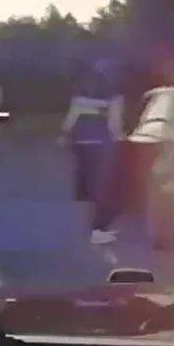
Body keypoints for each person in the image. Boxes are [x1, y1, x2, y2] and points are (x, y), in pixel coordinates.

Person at [58, 57, 126, 245]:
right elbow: (114, 124)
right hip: (102, 144)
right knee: (105, 188)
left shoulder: (81, 93)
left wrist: (64, 135)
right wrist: (120, 137)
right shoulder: (114, 94)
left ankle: (94, 227)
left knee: (88, 187)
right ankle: (99, 229)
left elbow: (71, 117)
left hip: (81, 142)